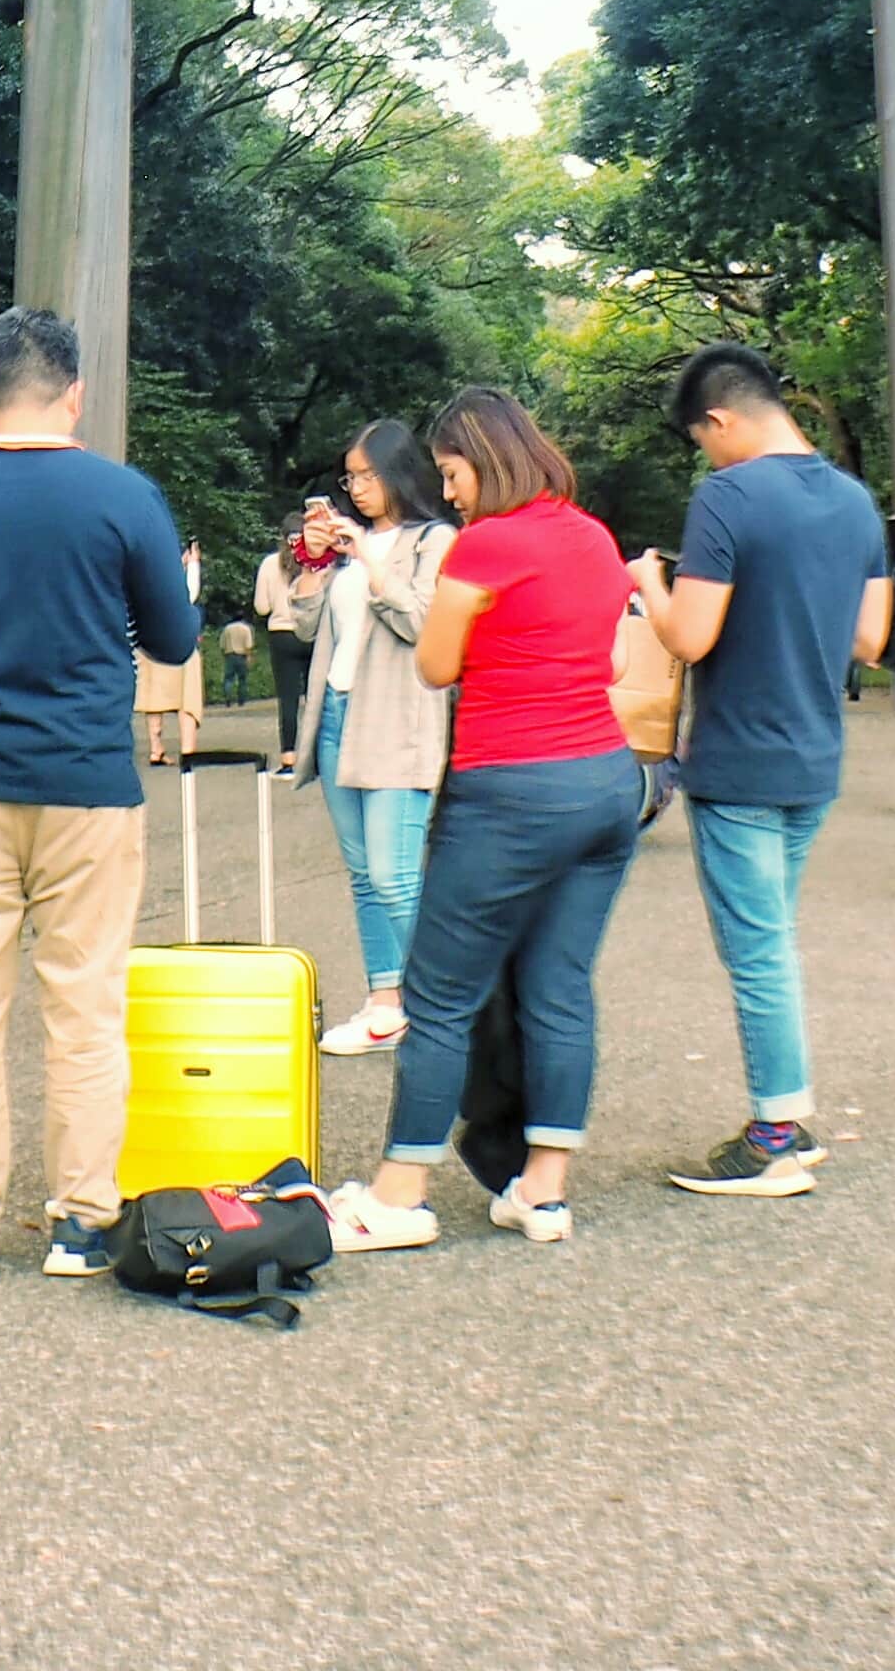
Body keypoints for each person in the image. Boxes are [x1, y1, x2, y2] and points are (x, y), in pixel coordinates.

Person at [0, 307, 198, 1280]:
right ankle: (82, 1224)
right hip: (90, 787)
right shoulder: (124, 496)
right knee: (86, 1006)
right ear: (76, 394)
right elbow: (177, 643)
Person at [325, 389, 642, 1256]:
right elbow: (612, 657)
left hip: (511, 790)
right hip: (607, 786)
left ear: (486, 461)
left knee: (439, 997)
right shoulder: (591, 534)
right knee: (559, 988)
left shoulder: (490, 543)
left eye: (456, 473)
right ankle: (542, 1192)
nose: (452, 492)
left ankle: (398, 1196)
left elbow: (433, 663)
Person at [634, 341, 892, 1199]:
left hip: (739, 757)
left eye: (701, 439)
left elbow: (689, 637)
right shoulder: (856, 501)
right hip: (814, 754)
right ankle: (788, 1121)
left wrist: (647, 586)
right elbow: (870, 640)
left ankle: (777, 1133)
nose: (704, 455)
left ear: (721, 419)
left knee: (757, 952)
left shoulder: (728, 495)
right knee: (771, 941)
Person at [300, 417, 454, 1055]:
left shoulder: (435, 539)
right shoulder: (354, 549)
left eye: (366, 475)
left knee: (395, 876)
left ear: (398, 472)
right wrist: (313, 561)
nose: (355, 488)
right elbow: (305, 623)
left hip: (398, 721)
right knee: (364, 875)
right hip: (337, 716)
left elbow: (424, 623)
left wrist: (365, 555)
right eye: (350, 477)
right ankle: (384, 1004)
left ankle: (446, 1004)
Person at [256, 512, 331, 775]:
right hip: (312, 633)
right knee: (316, 698)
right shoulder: (319, 563)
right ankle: (319, 758)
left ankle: (288, 758)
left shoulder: (269, 564)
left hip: (281, 634)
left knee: (287, 700)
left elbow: (262, 606)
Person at [140, 531, 208, 769]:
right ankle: (188, 750)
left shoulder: (145, 572)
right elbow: (190, 594)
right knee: (187, 696)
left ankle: (156, 748)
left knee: (153, 697)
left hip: (148, 642)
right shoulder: (174, 576)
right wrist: (194, 565)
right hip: (180, 641)